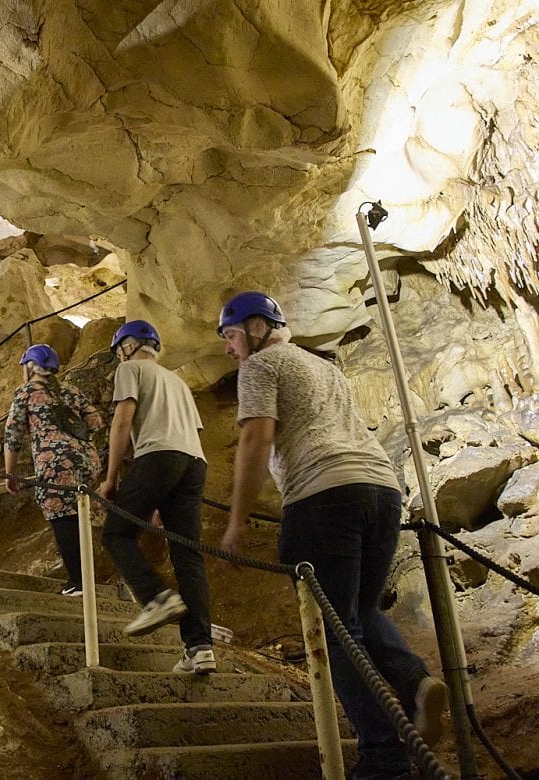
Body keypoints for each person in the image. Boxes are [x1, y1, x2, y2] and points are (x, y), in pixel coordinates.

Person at [216, 291, 448, 779]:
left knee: (331, 631)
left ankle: (384, 756)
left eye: (231, 336)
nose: (227, 349)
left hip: (323, 495)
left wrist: (236, 521)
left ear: (257, 328)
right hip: (382, 490)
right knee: (357, 612)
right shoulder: (325, 368)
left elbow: (257, 438)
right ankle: (415, 680)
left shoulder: (261, 368)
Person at [98, 320, 216, 674]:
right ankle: (199, 647)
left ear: (129, 346)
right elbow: (192, 433)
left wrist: (110, 477)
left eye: (120, 350)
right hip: (193, 463)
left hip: (158, 455)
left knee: (116, 533)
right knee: (187, 554)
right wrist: (163, 497)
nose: (120, 355)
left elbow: (123, 420)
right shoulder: (178, 382)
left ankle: (156, 597)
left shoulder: (129, 369)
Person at [3, 344, 104, 596]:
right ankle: (86, 577)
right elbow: (95, 421)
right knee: (77, 514)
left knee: (62, 518)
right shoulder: (70, 390)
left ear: (29, 367)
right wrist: (75, 441)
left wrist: (10, 473)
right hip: (87, 461)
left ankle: (80, 582)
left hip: (55, 463)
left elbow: (12, 435)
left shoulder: (26, 392)